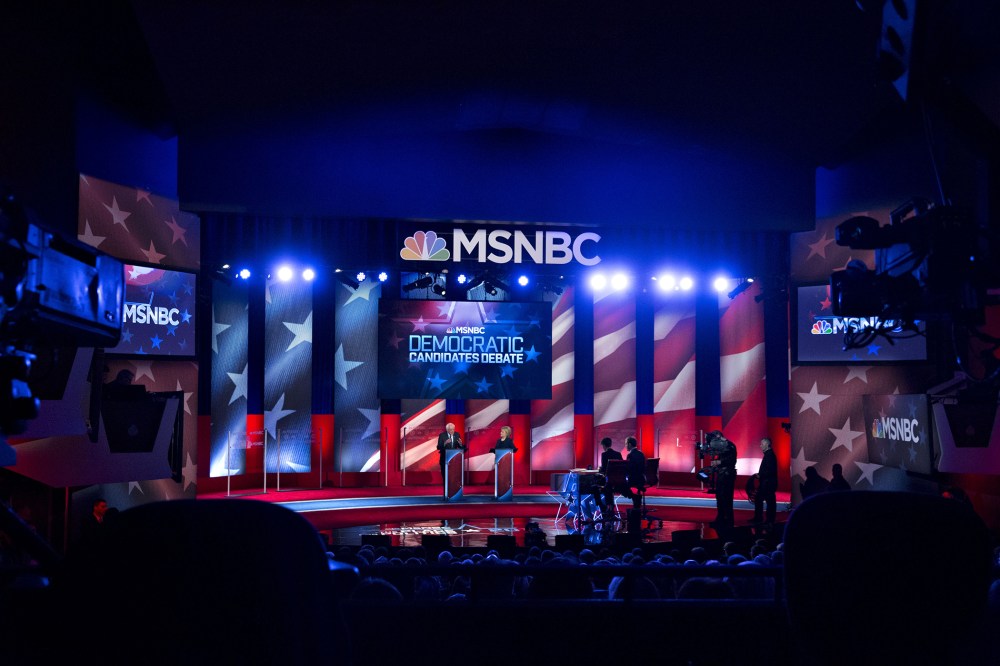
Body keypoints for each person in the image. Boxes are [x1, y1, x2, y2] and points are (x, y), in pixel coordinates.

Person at [708, 431, 737, 529]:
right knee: (719, 498)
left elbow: (732, 460)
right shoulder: (721, 448)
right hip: (721, 475)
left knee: (726, 499)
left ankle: (728, 522)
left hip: (727, 476)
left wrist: (719, 462)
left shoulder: (730, 446)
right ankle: (720, 519)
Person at [592, 437, 623, 513]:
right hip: (618, 482)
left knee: (594, 487)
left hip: (608, 482)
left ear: (604, 446)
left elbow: (604, 470)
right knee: (607, 486)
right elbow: (622, 467)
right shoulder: (618, 454)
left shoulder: (604, 455)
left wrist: (599, 469)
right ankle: (610, 506)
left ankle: (602, 507)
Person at [752, 437, 777, 524]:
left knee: (767, 502)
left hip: (768, 483)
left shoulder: (769, 455)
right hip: (767, 482)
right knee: (763, 500)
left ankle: (766, 519)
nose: (760, 446)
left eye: (762, 444)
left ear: (767, 444)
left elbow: (770, 470)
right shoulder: (768, 454)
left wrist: (760, 475)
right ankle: (763, 518)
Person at [623, 436, 646, 510]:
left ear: (629, 444)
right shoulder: (641, 454)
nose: (625, 446)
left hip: (633, 479)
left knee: (620, 485)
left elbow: (629, 469)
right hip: (641, 479)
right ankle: (635, 499)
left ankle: (634, 497)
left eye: (626, 444)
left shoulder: (630, 455)